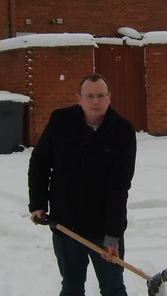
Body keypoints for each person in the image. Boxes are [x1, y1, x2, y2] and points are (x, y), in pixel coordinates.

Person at [28, 73, 137, 296]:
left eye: (100, 96)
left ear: (109, 98)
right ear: (79, 99)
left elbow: (120, 186)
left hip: (103, 226)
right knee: (71, 288)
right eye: (89, 96)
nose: (95, 101)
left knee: (113, 288)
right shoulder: (60, 121)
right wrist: (38, 203)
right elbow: (39, 162)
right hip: (66, 224)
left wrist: (112, 236)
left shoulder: (123, 131)